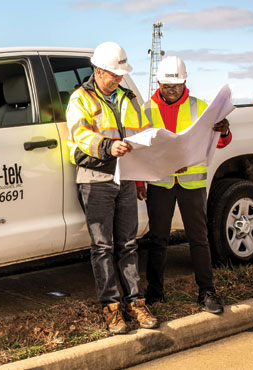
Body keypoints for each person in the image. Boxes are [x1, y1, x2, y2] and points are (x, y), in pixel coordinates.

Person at [66, 41, 158, 334]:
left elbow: (143, 137)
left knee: (129, 244)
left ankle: (136, 302)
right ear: (98, 70)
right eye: (114, 74)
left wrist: (141, 177)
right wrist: (108, 146)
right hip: (96, 180)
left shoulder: (128, 99)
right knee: (103, 247)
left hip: (127, 178)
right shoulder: (80, 99)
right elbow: (80, 134)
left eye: (121, 74)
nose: (119, 78)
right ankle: (111, 307)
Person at [137, 56, 232, 314]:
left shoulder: (201, 107)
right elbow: (139, 150)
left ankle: (207, 292)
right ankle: (155, 292)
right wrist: (138, 181)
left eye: (177, 86)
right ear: (158, 82)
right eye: (168, 86)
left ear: (185, 82)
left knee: (198, 238)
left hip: (191, 183)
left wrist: (223, 131)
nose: (172, 91)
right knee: (158, 238)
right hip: (161, 183)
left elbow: (220, 142)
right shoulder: (145, 111)